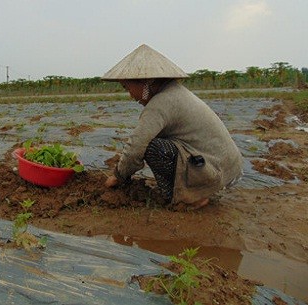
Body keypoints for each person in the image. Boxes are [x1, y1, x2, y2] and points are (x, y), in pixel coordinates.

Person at [102, 44, 243, 210]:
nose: (130, 95)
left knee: (153, 148)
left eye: (127, 87)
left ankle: (191, 198)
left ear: (146, 82)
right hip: (227, 168)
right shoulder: (175, 92)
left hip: (215, 171)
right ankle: (198, 191)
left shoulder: (161, 103)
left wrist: (118, 176)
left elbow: (136, 145)